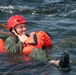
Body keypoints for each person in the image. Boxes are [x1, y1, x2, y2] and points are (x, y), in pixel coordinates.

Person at [4, 15, 70, 68]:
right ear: (13, 30)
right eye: (21, 27)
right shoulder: (10, 39)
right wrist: (21, 42)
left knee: (64, 41)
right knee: (36, 50)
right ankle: (56, 63)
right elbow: (11, 51)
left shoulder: (28, 36)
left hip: (42, 54)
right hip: (25, 60)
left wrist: (31, 37)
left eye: (24, 26)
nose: (24, 29)